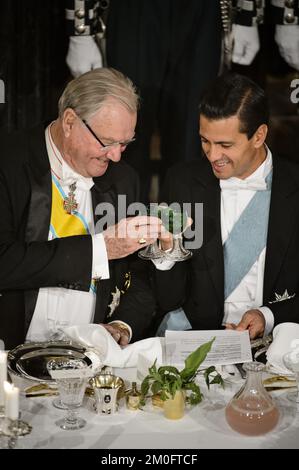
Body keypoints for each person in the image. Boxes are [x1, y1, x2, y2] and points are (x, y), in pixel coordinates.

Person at [65, 1, 299, 201]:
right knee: (122, 138)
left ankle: (183, 240)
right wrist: (80, 26)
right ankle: (123, 238)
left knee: (194, 138)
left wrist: (248, 14)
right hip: (134, 9)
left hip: (201, 9)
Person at [0, 67, 162, 349]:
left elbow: (139, 275)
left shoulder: (124, 179)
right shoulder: (8, 161)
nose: (115, 155)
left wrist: (122, 324)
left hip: (91, 361)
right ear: (70, 121)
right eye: (107, 142)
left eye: (125, 143)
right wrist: (101, 250)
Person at [154, 72, 299, 339]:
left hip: (278, 344)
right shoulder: (182, 181)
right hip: (196, 340)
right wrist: (165, 253)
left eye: (225, 145)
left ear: (258, 136)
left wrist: (267, 316)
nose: (212, 155)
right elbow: (167, 296)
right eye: (204, 141)